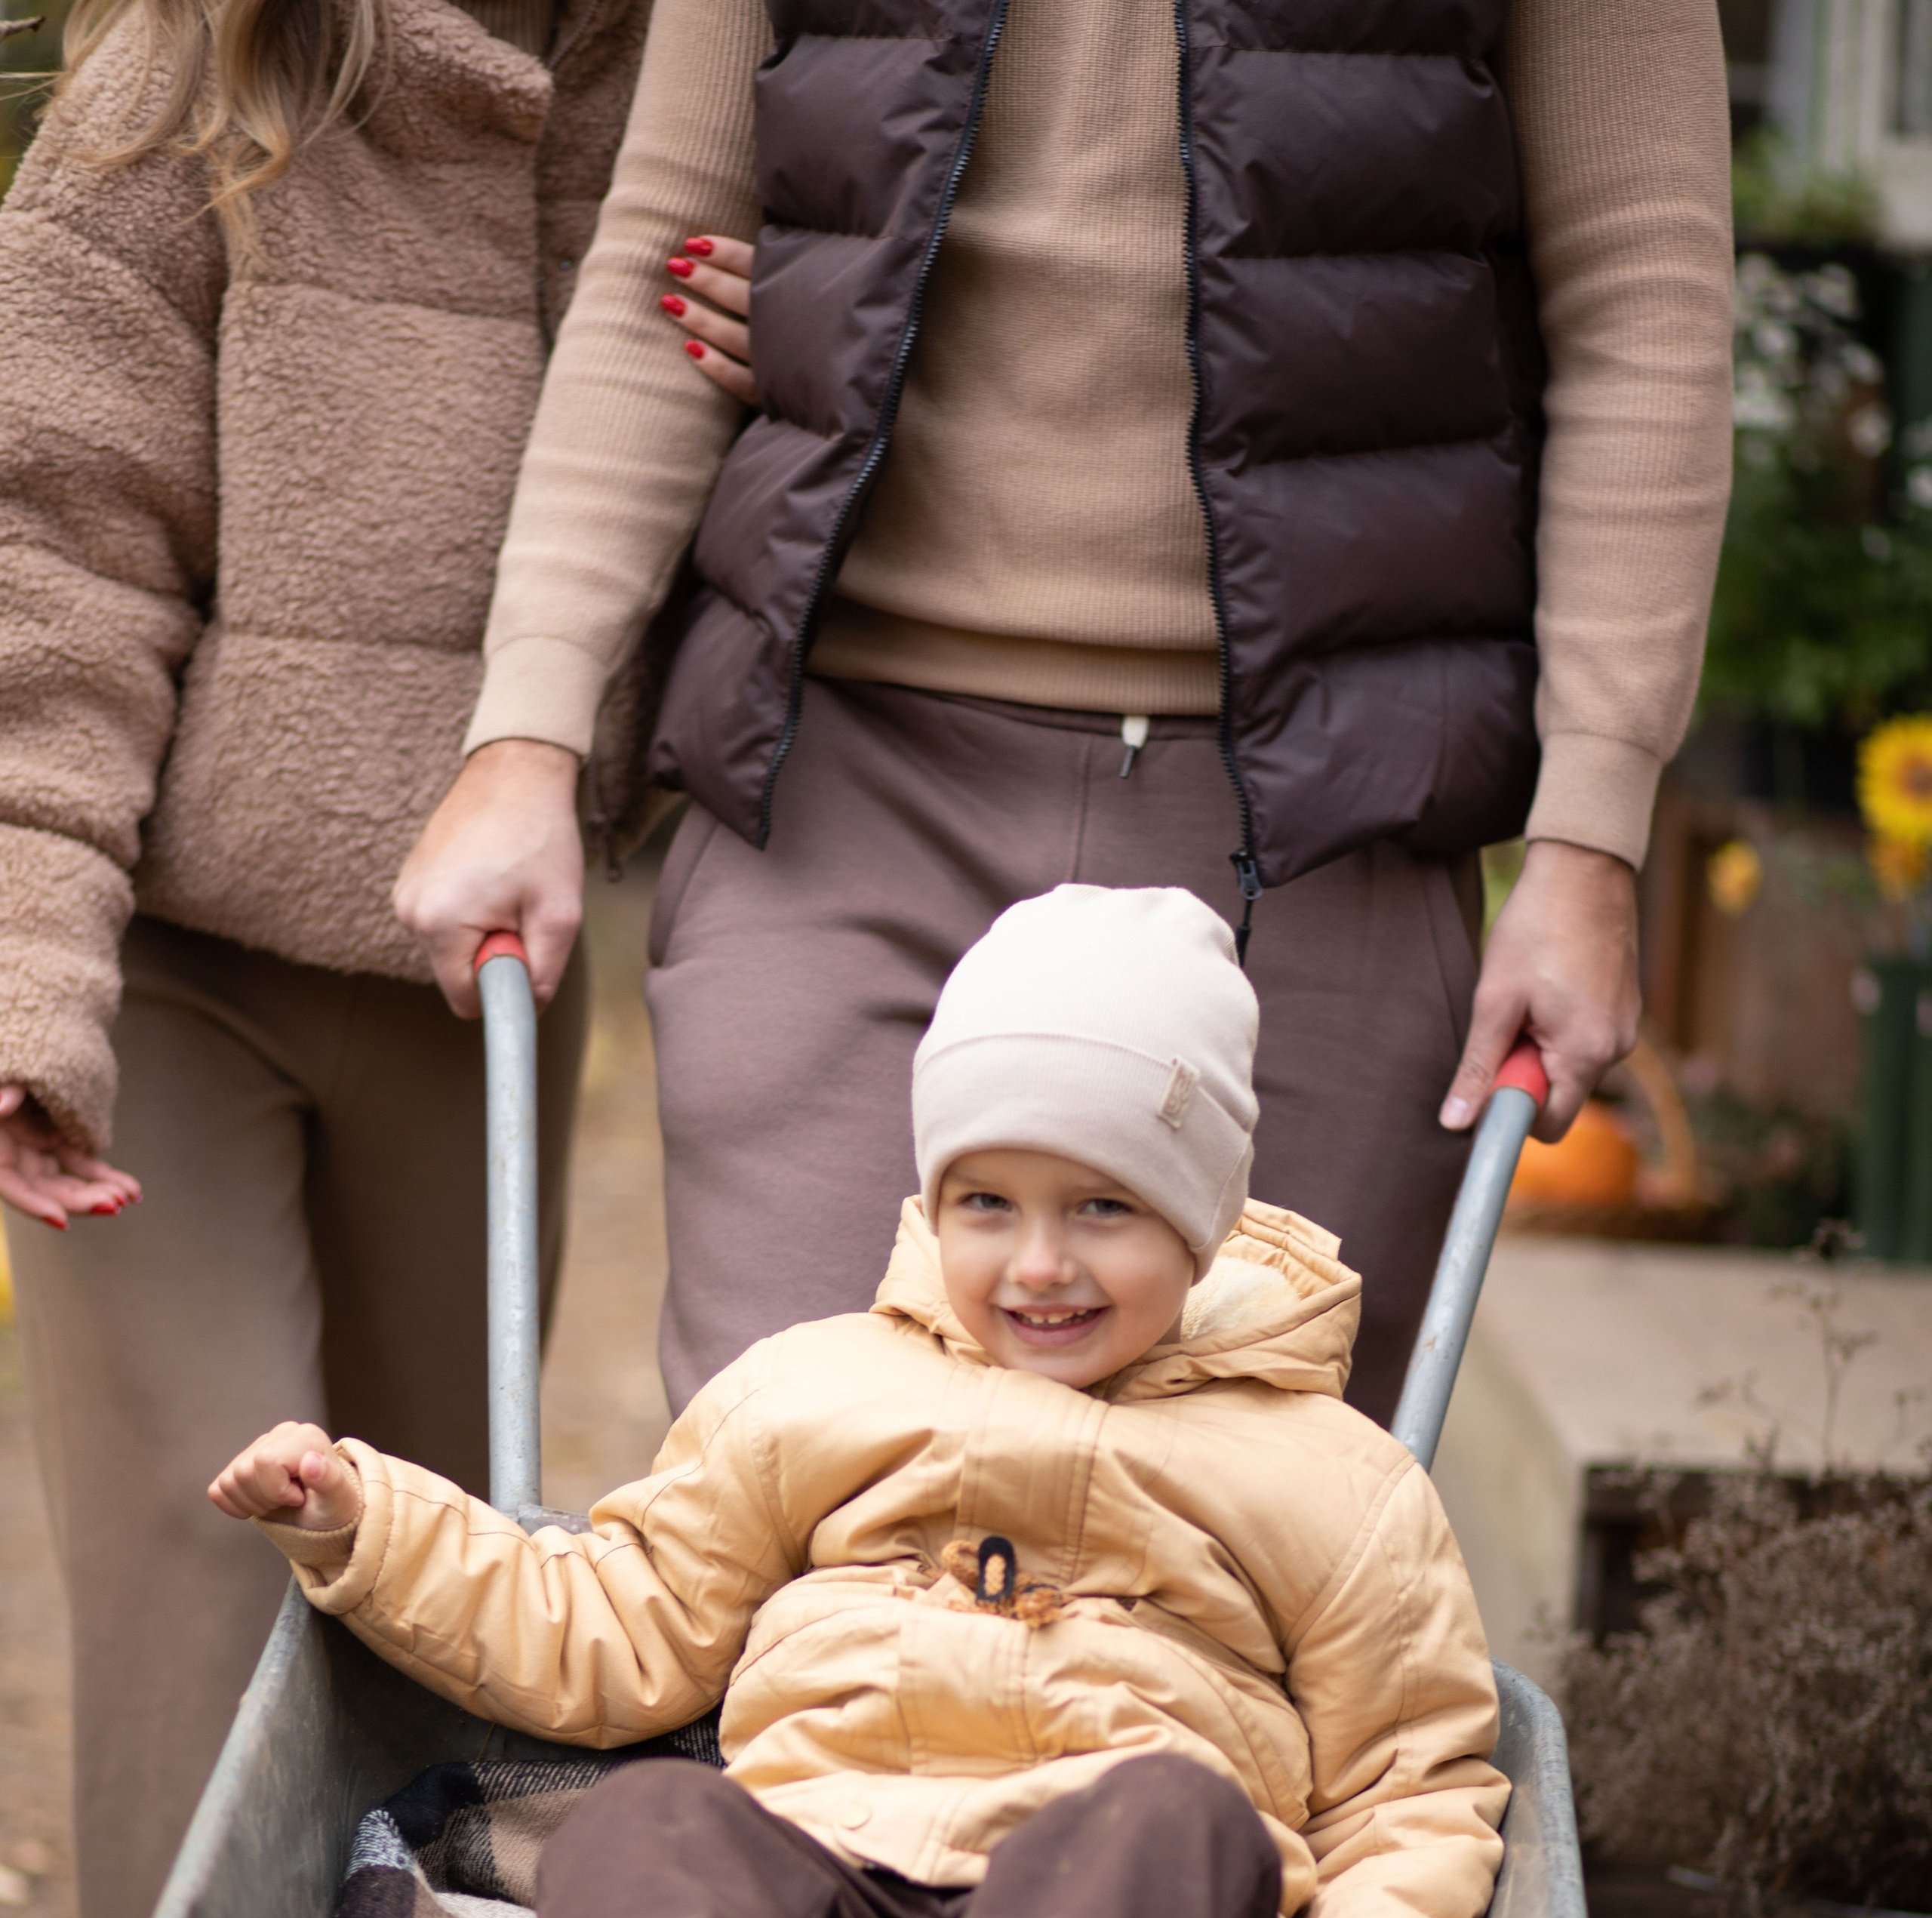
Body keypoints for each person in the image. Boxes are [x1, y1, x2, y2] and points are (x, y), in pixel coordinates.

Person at [395, 0, 1736, 1430]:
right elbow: (662, 249)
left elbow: (1643, 299)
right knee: (795, 1515)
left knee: (1245, 1558)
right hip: (846, 787)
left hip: (1322, 825)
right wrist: (528, 728)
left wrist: (1593, 829)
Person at [208, 885, 1507, 1918]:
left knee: (1189, 1835)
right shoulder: (816, 1388)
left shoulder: (1334, 1477)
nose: (1041, 1263)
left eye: (1106, 1208)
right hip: (825, 1906)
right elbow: (622, 1621)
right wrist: (369, 1522)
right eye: (988, 1203)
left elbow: (1412, 1780)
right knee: (654, 1823)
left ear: (1202, 1224)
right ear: (931, 1196)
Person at [0, 0, 752, 1918]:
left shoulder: (713, 85)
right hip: (168, 977)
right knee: (208, 1565)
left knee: (428, 1583)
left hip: (479, 983)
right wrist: (29, 973)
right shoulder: (209, 78)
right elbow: (48, 537)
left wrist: (803, 349)